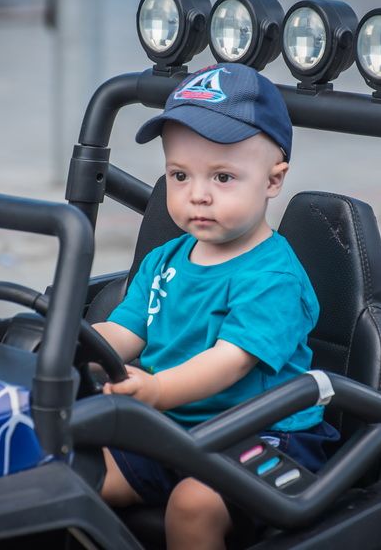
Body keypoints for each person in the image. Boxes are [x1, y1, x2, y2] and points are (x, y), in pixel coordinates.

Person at [92, 63, 338, 549]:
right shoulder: (166, 258)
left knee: (193, 505)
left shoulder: (273, 278)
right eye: (179, 175)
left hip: (262, 436)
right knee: (74, 468)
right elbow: (126, 330)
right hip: (176, 426)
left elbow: (230, 361)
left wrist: (158, 390)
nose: (197, 195)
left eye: (223, 177)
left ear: (272, 180)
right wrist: (66, 346)